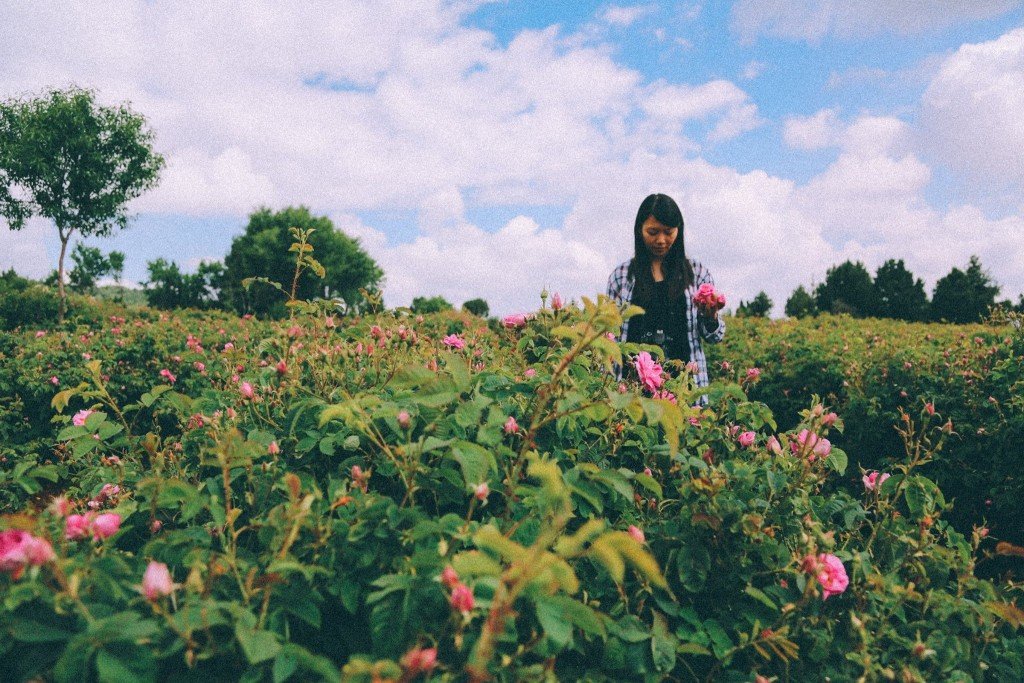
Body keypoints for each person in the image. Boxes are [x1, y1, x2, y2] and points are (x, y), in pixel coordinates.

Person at [606, 193, 725, 391]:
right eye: (653, 232)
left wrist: (710, 317)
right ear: (639, 231)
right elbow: (611, 337)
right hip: (632, 390)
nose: (661, 240)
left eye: (668, 232)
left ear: (679, 231)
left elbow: (714, 337)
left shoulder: (696, 273)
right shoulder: (622, 276)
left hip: (684, 389)